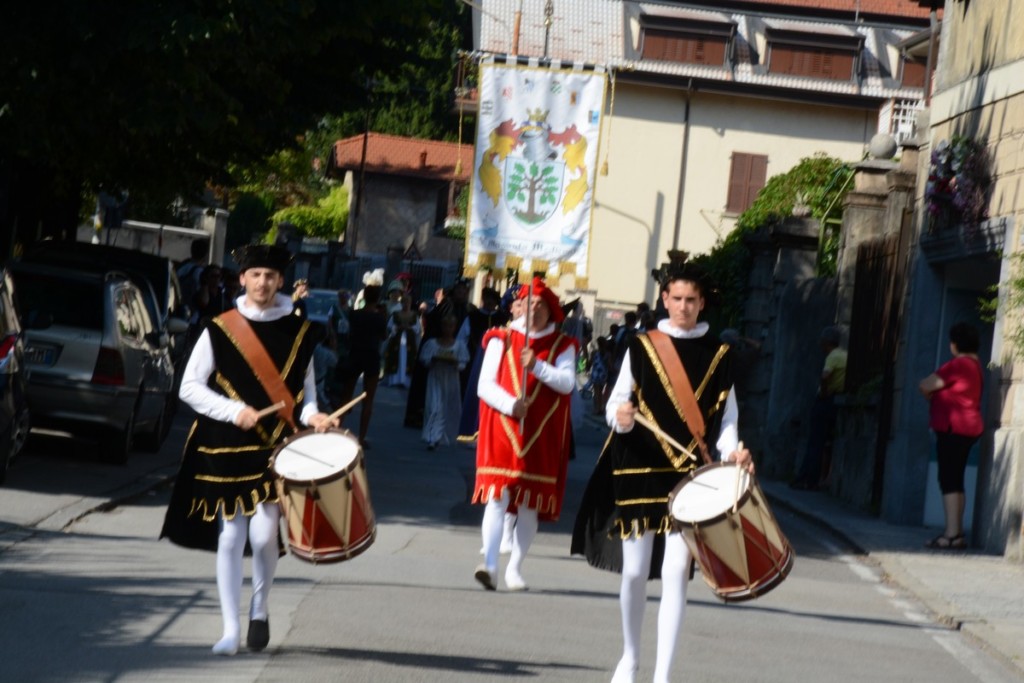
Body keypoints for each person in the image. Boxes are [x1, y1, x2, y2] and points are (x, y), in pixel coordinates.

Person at [571, 262, 752, 683]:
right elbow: (617, 405)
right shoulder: (641, 346)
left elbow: (726, 419)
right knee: (635, 571)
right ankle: (630, 658)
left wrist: (733, 450)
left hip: (688, 475)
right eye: (677, 298)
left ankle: (663, 674)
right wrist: (621, 415)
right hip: (638, 465)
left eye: (692, 300)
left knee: (675, 572)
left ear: (702, 303)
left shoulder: (720, 355)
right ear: (665, 300)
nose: (684, 306)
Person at [160, 244, 339, 656]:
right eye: (255, 274)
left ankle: (260, 607)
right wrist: (233, 410)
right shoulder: (219, 328)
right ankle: (230, 629)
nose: (262, 282)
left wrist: (314, 416)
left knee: (262, 537)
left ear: (281, 282)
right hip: (224, 445)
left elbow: (305, 396)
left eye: (270, 276)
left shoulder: (298, 332)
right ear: (242, 278)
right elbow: (189, 387)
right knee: (230, 537)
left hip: (274, 448)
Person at [473, 277, 578, 592]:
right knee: (497, 497)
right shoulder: (501, 338)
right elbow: (484, 385)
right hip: (503, 428)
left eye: (541, 304)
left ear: (551, 310)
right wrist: (510, 405)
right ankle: (490, 565)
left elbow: (567, 383)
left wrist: (537, 367)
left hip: (540, 432)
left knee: (530, 504)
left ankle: (515, 568)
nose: (534, 309)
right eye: (529, 302)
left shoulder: (563, 345)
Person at [919, 322, 984, 550]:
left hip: (953, 428)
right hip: (967, 428)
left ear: (955, 344)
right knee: (956, 479)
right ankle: (956, 533)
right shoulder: (975, 366)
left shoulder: (958, 365)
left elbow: (926, 385)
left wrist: (933, 395)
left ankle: (951, 533)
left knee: (948, 479)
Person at [790, 326, 847, 490]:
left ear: (826, 342)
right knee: (825, 442)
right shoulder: (844, 355)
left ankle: (807, 478)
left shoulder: (832, 356)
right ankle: (816, 478)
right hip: (836, 400)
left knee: (815, 441)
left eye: (822, 342)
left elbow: (825, 375)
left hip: (825, 400)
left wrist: (823, 391)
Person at [337, 270, 388, 448]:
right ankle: (361, 437)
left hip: (355, 354)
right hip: (372, 356)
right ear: (378, 298)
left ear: (364, 296)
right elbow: (384, 336)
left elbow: (347, 332)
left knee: (346, 396)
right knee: (368, 399)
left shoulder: (354, 314)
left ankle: (337, 429)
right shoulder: (379, 317)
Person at [421, 314, 470, 449]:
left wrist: (455, 363)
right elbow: (425, 361)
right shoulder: (432, 344)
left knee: (446, 408)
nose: (447, 329)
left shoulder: (459, 346)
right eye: (445, 326)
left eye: (450, 326)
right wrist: (433, 360)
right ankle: (432, 437)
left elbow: (462, 364)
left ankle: (443, 435)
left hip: (451, 380)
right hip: (436, 377)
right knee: (435, 407)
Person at [383, 294, 420, 388]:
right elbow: (389, 326)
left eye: (408, 302)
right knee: (396, 358)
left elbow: (418, 328)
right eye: (404, 302)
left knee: (408, 359)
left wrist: (409, 328)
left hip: (409, 342)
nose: (406, 304)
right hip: (396, 341)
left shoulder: (414, 315)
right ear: (401, 303)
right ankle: (394, 380)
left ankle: (406, 381)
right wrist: (398, 327)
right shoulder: (395, 314)